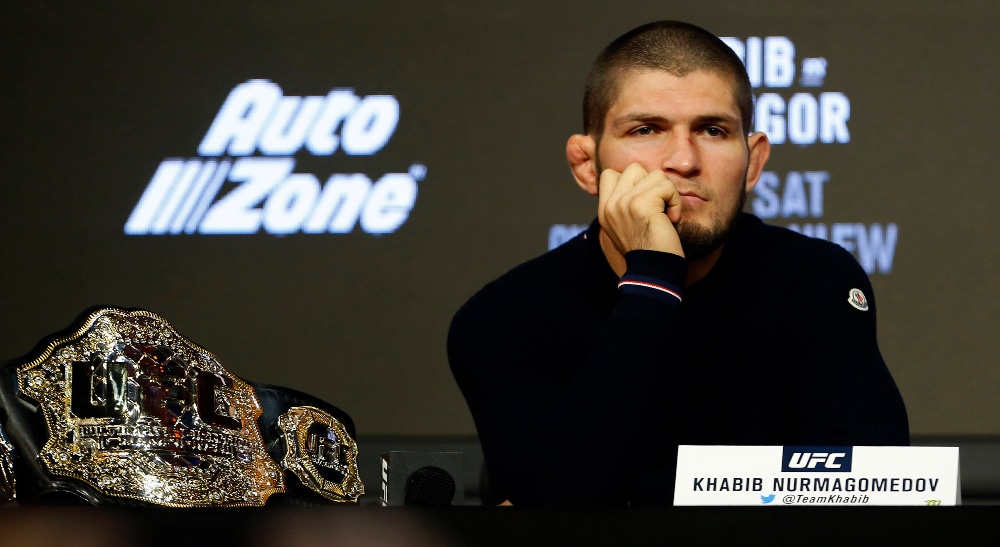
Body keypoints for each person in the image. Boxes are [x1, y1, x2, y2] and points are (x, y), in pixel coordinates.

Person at [447, 20, 909, 506]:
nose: (683, 161)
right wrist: (651, 282)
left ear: (752, 164)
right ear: (588, 165)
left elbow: (874, 486)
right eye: (646, 129)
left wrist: (638, 496)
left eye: (713, 130)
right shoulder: (504, 316)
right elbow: (553, 503)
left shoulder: (815, 279)